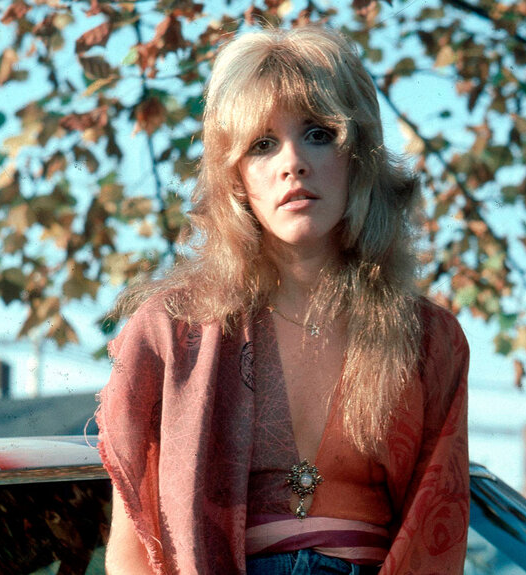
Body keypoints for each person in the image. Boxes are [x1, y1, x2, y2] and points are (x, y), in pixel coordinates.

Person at [96, 25, 470, 575]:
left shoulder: (428, 340)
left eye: (319, 133)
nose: (292, 162)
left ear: (359, 156)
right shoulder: (171, 332)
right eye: (262, 144)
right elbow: (134, 549)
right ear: (235, 177)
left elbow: (438, 539)